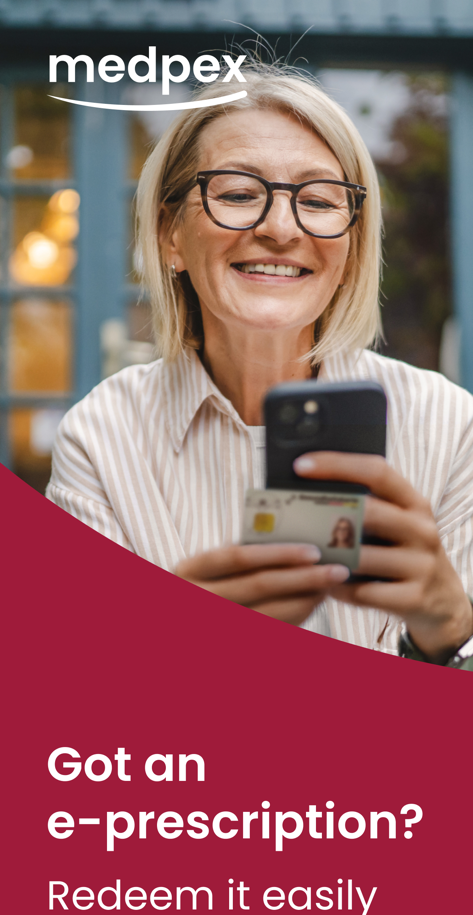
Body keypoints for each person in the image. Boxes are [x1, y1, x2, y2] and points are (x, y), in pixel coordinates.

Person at [46, 64, 473, 667]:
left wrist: (451, 631)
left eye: (318, 200)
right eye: (238, 194)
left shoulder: (450, 428)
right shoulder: (101, 438)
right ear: (170, 234)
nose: (279, 229)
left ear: (352, 249)